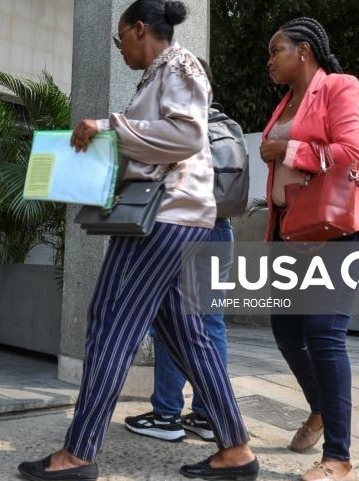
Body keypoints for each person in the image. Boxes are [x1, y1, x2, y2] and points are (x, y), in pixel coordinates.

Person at [17, 2, 259, 481]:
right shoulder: (158, 74)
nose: (120, 48)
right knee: (186, 334)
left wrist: (109, 126)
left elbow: (187, 137)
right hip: (175, 218)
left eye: (119, 38)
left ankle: (78, 455)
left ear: (139, 29)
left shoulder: (180, 64)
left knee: (110, 321)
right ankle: (235, 449)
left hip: (164, 218)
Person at [260, 18, 359, 481]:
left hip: (341, 229)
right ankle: (320, 409)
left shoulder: (339, 86)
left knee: (325, 333)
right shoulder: (285, 103)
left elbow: (352, 153)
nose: (270, 61)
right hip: (292, 235)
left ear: (304, 50)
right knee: (288, 332)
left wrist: (287, 152)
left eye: (277, 50)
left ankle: (338, 458)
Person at [124, 59, 242, 444]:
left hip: (184, 230)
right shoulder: (225, 123)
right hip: (220, 229)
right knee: (210, 324)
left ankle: (167, 414)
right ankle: (209, 416)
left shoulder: (180, 124)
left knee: (171, 322)